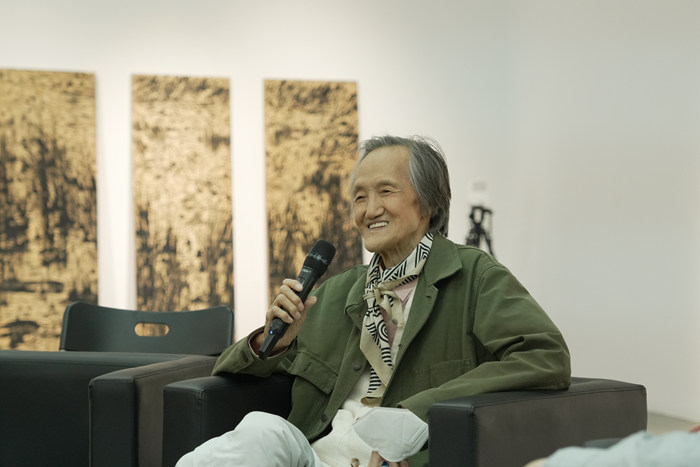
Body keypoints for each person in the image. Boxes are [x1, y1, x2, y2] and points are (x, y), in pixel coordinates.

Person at [176, 135, 571, 467]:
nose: (370, 209)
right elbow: (227, 371)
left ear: (429, 204)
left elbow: (545, 356)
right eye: (359, 197)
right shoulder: (333, 293)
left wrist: (417, 413)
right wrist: (273, 341)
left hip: (393, 460)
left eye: (386, 191)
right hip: (313, 456)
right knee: (261, 429)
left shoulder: (475, 277)